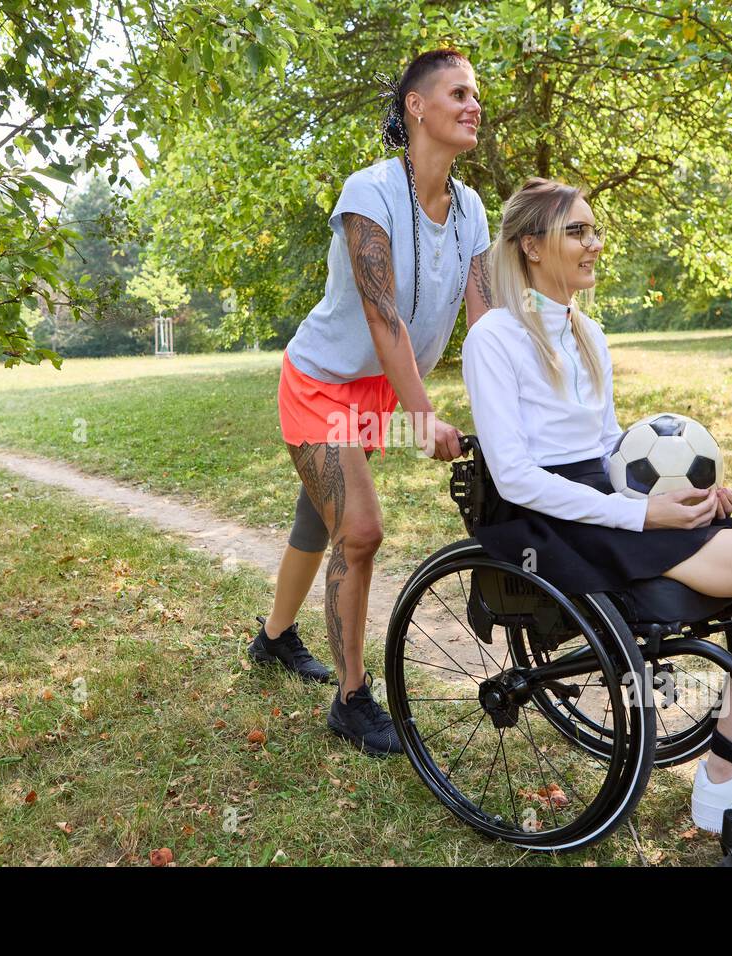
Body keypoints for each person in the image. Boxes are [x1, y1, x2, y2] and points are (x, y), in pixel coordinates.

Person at [460, 176, 732, 850]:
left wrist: (674, 499)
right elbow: (516, 476)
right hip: (555, 522)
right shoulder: (496, 338)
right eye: (577, 232)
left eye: (594, 230)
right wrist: (638, 518)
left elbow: (604, 448)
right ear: (531, 246)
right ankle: (725, 775)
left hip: (611, 505)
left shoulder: (586, 331)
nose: (595, 244)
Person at [249, 49, 493, 755]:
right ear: (417, 106)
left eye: (476, 95)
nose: (474, 105)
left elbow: (484, 321)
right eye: (458, 92)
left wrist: (508, 413)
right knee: (358, 530)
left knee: (318, 513)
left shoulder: (471, 208)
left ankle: (272, 640)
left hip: (378, 386)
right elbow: (383, 318)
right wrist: (423, 418)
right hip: (323, 378)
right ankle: (352, 699)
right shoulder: (370, 193)